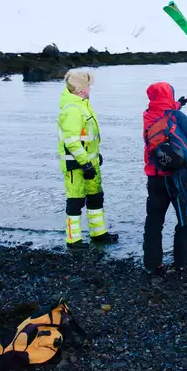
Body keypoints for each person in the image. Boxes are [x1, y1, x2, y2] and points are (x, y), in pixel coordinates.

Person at [142, 82, 187, 276]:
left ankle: (152, 264)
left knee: (154, 221)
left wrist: (177, 105)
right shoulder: (176, 116)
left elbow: (162, 112)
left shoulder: (147, 115)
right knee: (184, 221)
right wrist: (181, 112)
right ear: (170, 95)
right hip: (177, 178)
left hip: (154, 176)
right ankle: (182, 263)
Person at [57, 69, 118, 249]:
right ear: (80, 89)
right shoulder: (73, 109)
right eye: (88, 86)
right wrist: (85, 163)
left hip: (89, 162)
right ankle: (73, 240)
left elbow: (86, 137)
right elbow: (72, 141)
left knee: (95, 197)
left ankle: (98, 233)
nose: (90, 89)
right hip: (76, 165)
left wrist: (94, 156)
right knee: (75, 200)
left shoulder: (82, 105)